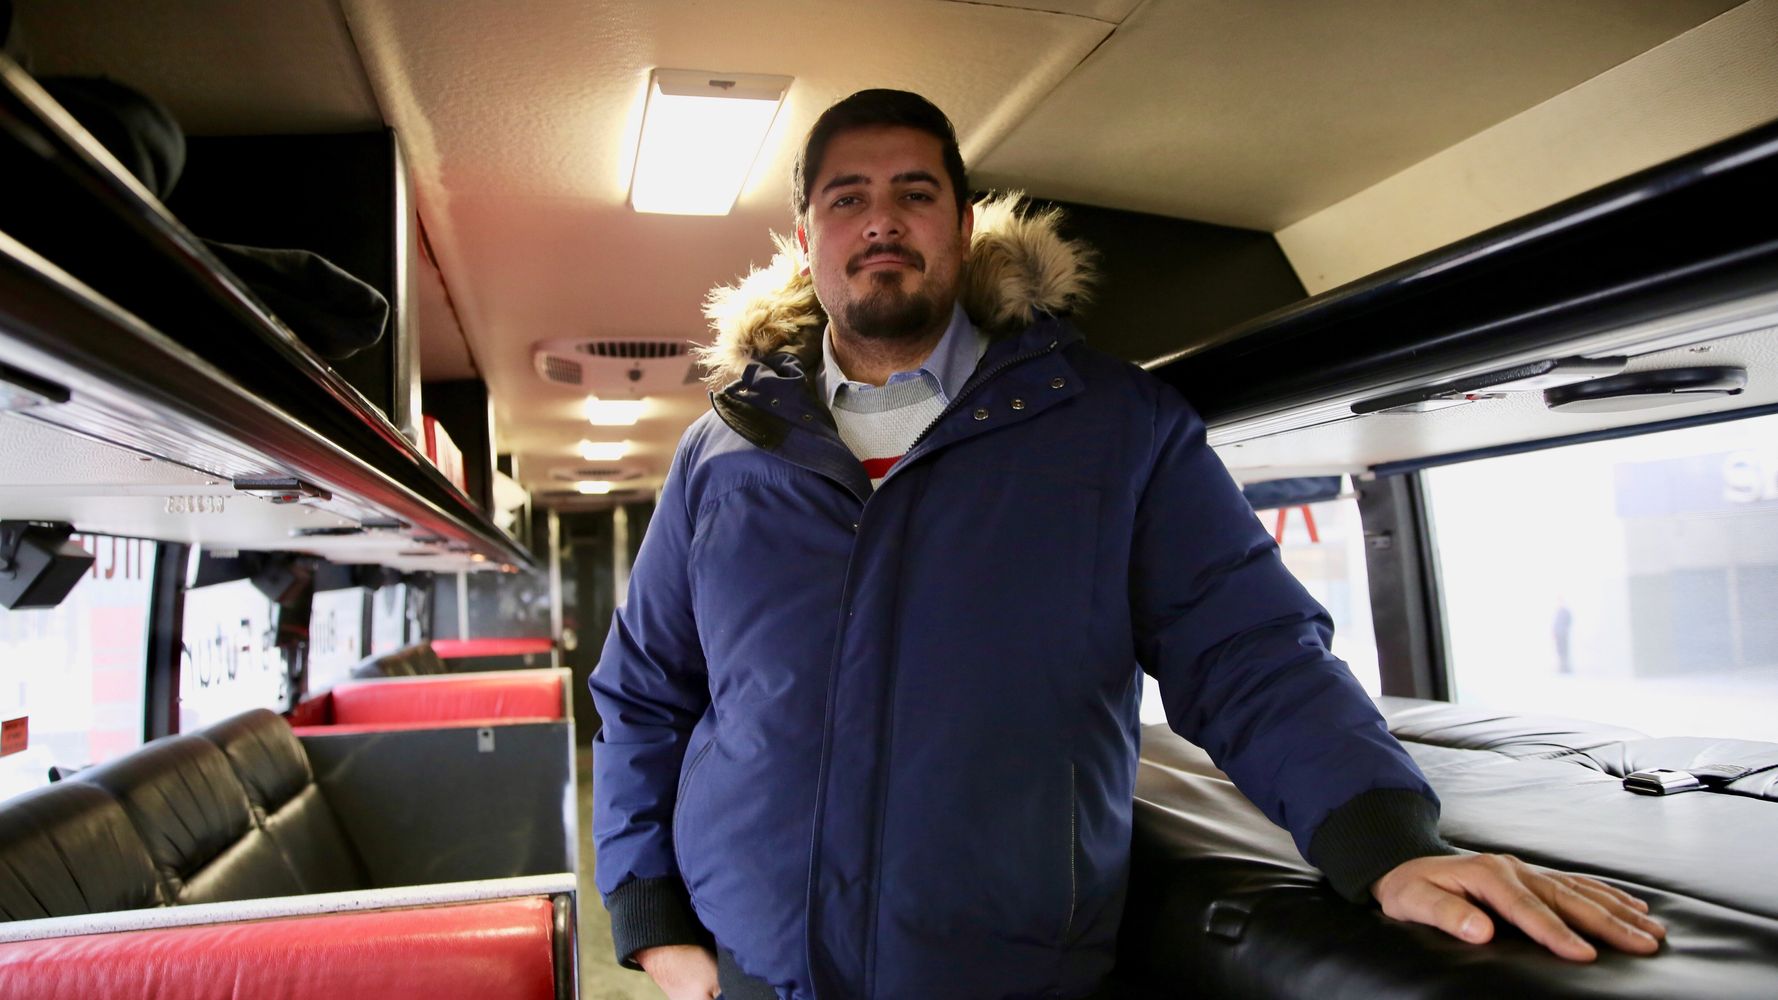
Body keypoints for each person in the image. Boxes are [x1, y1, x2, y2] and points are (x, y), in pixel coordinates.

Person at [590, 89, 1664, 1000]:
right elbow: (645, 694)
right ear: (804, 238)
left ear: (961, 227)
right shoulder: (722, 455)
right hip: (747, 970)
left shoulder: (1112, 429)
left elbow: (1246, 651)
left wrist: (1383, 845)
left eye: (914, 194)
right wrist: (653, 922)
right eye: (847, 198)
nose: (881, 221)